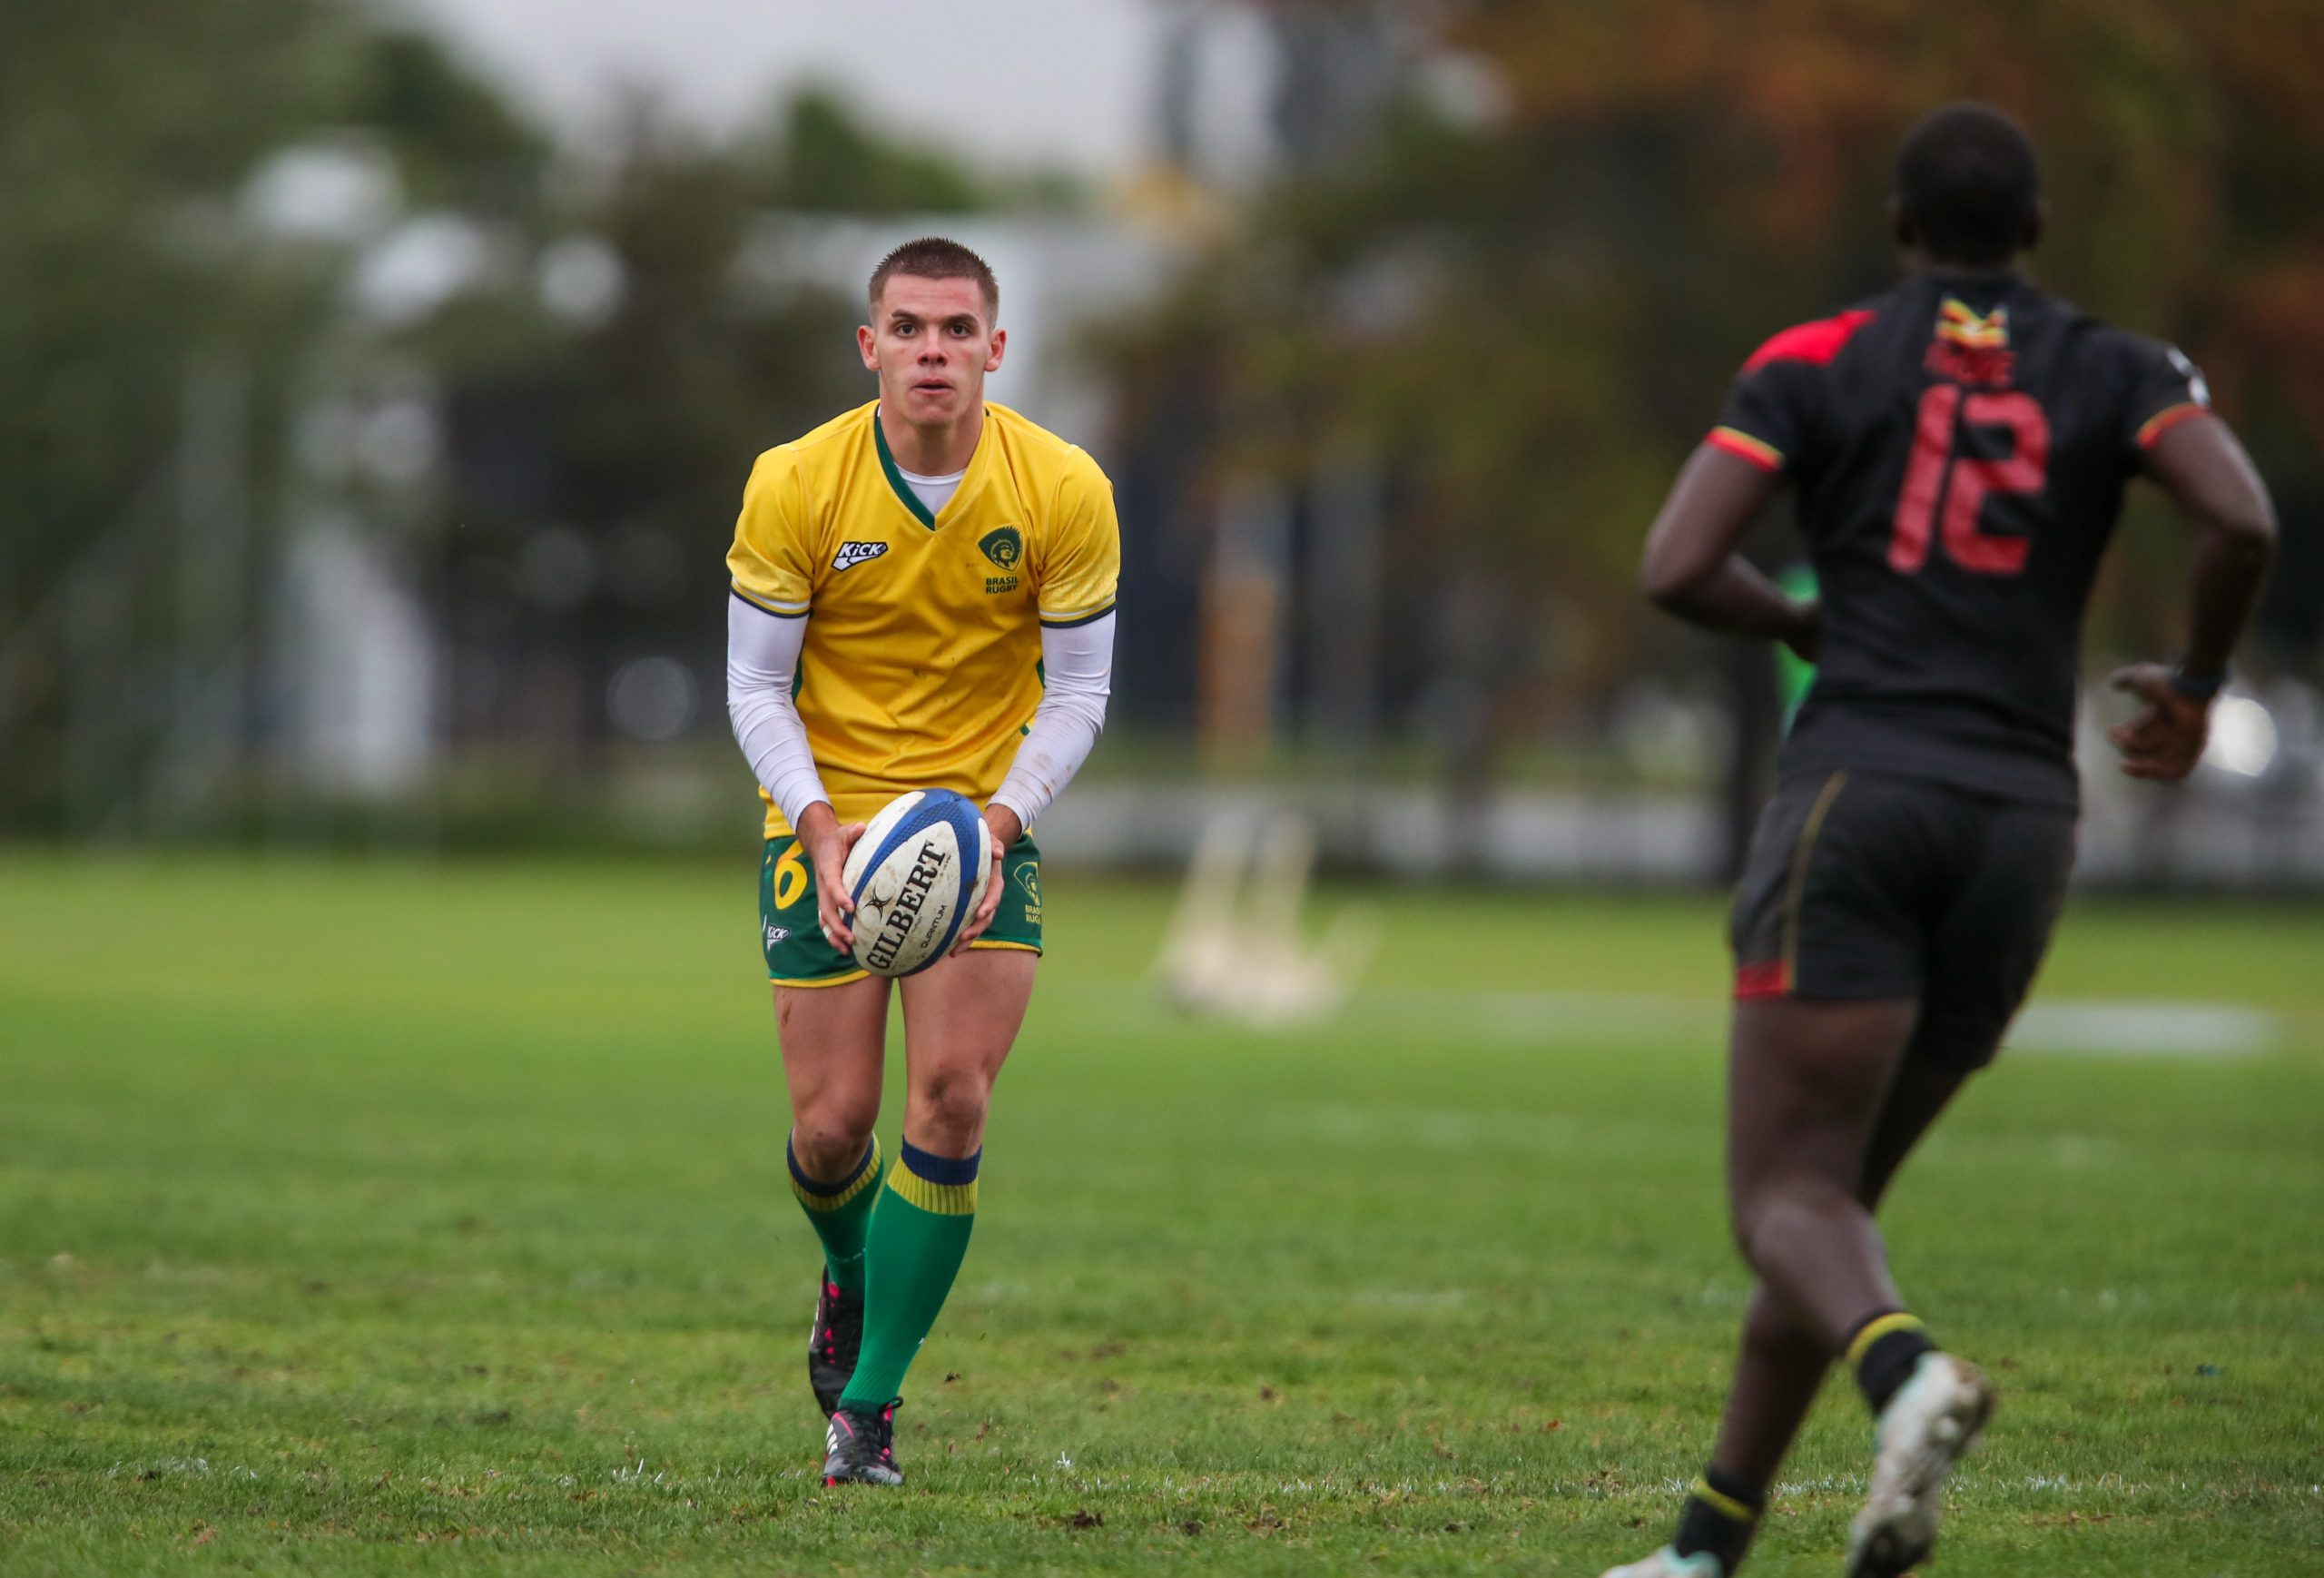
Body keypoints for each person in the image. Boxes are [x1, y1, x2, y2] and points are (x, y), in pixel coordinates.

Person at [1605, 104, 2275, 1578]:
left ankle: (1907, 1378)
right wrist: (2201, 684)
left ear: (1901, 228)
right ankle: (1706, 1547)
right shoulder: (2124, 368)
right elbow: (2239, 518)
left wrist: (1790, 617)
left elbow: (1674, 565)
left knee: (1783, 1198)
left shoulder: (1819, 359)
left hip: (1860, 792)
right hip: (2026, 825)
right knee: (1828, 1207)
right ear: (2033, 234)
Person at [724, 236, 1119, 1486]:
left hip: (977, 828)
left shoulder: (1062, 486)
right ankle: (849, 1276)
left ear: (996, 349)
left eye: (958, 330)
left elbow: (1084, 689)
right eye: (909, 328)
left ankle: (869, 1411)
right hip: (828, 819)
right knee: (833, 1130)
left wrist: (1000, 823)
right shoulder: (796, 481)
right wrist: (817, 823)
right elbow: (753, 682)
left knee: (950, 1096)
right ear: (870, 346)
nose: (933, 351)